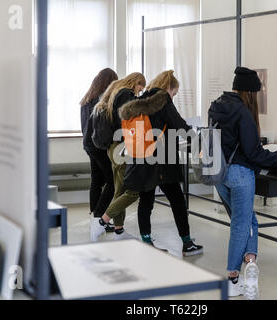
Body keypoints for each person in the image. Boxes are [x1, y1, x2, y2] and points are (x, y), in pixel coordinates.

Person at [209, 67, 277, 300]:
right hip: (240, 175)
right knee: (241, 224)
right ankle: (232, 278)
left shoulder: (216, 106)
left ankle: (250, 264)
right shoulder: (243, 113)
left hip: (219, 175)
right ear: (250, 92)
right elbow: (254, 153)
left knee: (248, 220)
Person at [119, 70, 203, 256]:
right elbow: (180, 125)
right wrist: (199, 143)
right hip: (162, 158)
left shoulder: (142, 101)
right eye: (175, 92)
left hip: (143, 156)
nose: (174, 96)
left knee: (146, 200)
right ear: (169, 87)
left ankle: (146, 240)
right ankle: (187, 243)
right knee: (177, 200)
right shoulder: (162, 100)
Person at [90, 72, 146, 242]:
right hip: (121, 147)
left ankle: (119, 230)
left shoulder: (114, 91)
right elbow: (127, 122)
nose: (138, 93)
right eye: (139, 88)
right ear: (135, 83)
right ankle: (101, 222)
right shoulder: (126, 95)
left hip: (112, 147)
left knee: (119, 189)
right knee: (131, 191)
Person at [80, 68, 118, 237]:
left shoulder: (87, 99)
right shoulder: (103, 99)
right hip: (99, 145)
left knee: (96, 180)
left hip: (88, 144)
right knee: (111, 181)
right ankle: (99, 218)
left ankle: (94, 215)